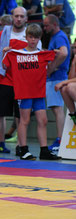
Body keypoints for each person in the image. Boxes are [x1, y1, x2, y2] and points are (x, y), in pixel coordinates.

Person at [3, 24, 60, 160]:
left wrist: (56, 52)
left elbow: (63, 54)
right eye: (31, 37)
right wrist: (5, 52)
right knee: (24, 120)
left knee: (43, 120)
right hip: (24, 92)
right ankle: (23, 149)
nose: (33, 40)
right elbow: (5, 65)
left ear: (39, 38)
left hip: (38, 92)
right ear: (26, 37)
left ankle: (44, 150)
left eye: (36, 38)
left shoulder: (42, 54)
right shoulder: (16, 53)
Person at [0, 7, 33, 156]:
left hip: (22, 81)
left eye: (21, 16)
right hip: (5, 79)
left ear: (26, 18)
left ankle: (20, 145)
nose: (18, 18)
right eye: (16, 16)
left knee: (20, 116)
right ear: (12, 17)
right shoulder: (3, 33)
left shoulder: (31, 35)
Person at [43, 14, 71, 153]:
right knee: (56, 108)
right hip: (55, 76)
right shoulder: (56, 37)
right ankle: (60, 139)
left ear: (54, 24)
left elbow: (64, 53)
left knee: (57, 109)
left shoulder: (59, 36)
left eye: (47, 25)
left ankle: (60, 140)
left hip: (56, 77)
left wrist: (51, 68)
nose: (45, 27)